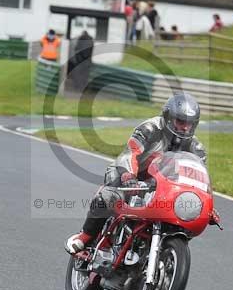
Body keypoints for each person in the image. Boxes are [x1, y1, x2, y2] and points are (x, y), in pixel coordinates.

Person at [65, 93, 207, 254]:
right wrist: (129, 177)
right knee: (110, 196)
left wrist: (204, 201)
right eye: (181, 121)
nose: (185, 127)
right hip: (129, 173)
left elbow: (197, 178)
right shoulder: (150, 129)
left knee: (186, 214)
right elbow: (130, 153)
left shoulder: (197, 149)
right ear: (168, 117)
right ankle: (85, 236)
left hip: (162, 186)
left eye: (189, 123)